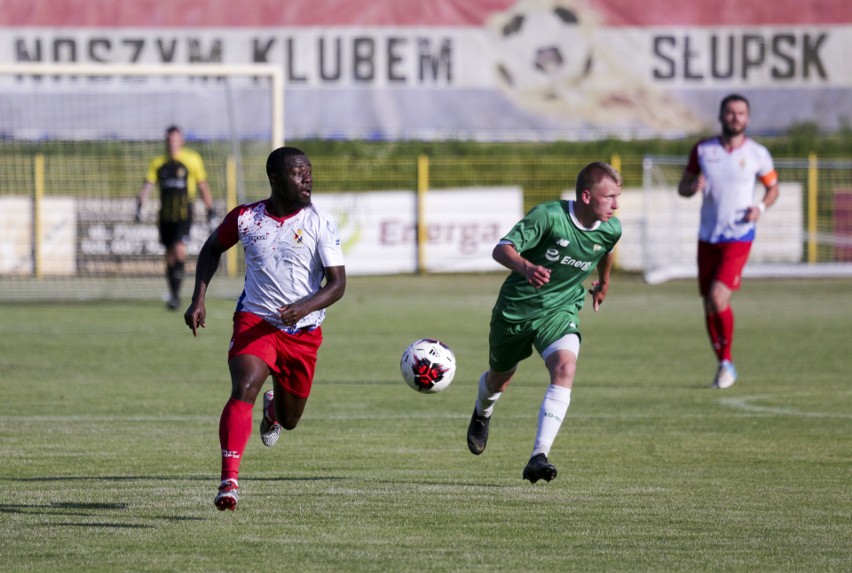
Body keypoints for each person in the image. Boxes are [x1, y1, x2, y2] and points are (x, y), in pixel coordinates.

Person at [184, 146, 346, 511]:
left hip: (303, 333)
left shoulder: (320, 221)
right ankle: (229, 480)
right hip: (255, 321)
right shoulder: (246, 218)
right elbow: (211, 249)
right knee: (243, 386)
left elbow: (337, 285)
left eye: (309, 172)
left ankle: (272, 411)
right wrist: (199, 298)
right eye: (298, 173)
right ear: (275, 178)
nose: (307, 178)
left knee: (290, 420)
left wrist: (302, 308)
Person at [466, 161, 622, 483]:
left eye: (617, 197)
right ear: (587, 196)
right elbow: (502, 249)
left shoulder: (611, 227)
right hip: (516, 310)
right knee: (499, 380)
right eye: (609, 197)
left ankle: (539, 455)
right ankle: (482, 411)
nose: (616, 205)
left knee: (565, 368)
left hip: (560, 310)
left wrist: (603, 282)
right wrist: (526, 268)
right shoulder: (549, 216)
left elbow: (607, 247)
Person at [677, 94, 779, 389]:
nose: (735, 117)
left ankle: (726, 364)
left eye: (741, 113)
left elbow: (773, 188)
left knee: (719, 297)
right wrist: (691, 186)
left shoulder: (758, 153)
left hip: (739, 235)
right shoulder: (703, 150)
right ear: (721, 116)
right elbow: (683, 186)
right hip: (707, 236)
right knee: (709, 304)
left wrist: (759, 208)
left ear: (747, 118)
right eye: (730, 112)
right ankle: (724, 363)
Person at [136, 125, 215, 310]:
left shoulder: (192, 159)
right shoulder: (158, 162)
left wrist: (210, 210)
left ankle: (177, 296)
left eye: (175, 140)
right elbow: (148, 185)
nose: (172, 144)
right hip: (165, 214)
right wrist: (139, 205)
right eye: (169, 140)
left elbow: (202, 185)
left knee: (180, 250)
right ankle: (173, 294)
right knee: (169, 256)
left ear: (182, 141)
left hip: (184, 213)